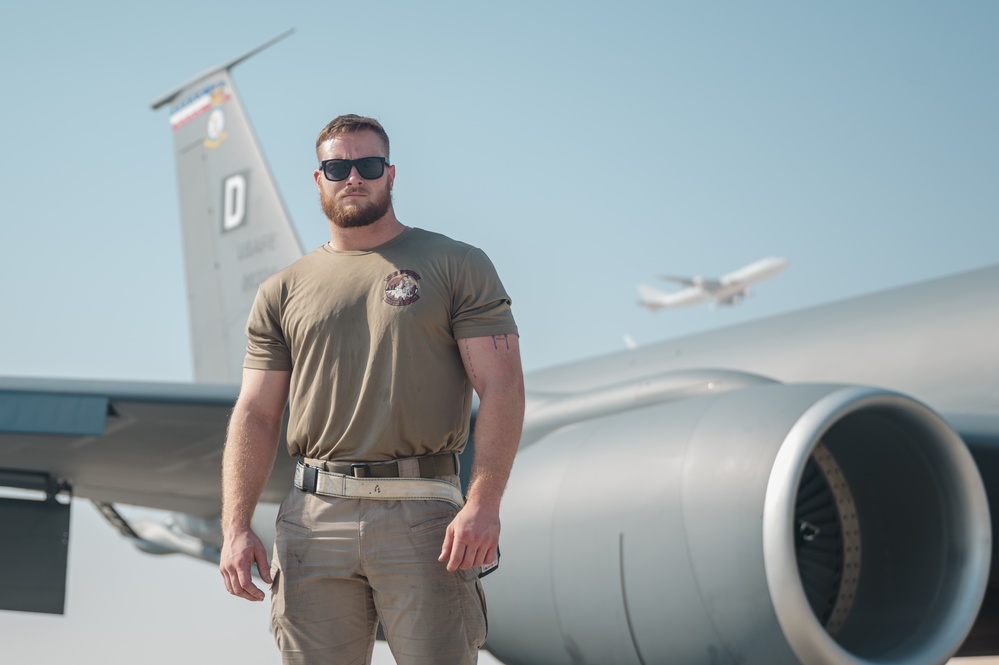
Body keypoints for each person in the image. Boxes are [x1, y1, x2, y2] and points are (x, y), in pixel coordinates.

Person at [218, 114, 525, 665]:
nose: (353, 177)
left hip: (426, 517)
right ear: (319, 179)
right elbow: (256, 413)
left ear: (391, 175)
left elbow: (502, 387)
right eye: (338, 167)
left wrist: (484, 503)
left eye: (368, 165)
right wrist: (236, 527)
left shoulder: (457, 265)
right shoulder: (281, 290)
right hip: (312, 520)